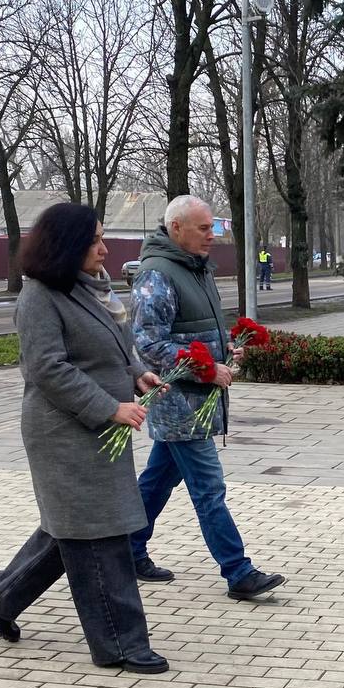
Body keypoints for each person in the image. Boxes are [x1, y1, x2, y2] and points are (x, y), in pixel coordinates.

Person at [0, 203, 170, 674]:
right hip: (64, 431)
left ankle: (1, 594)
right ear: (66, 246)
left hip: (101, 429)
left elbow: (114, 348)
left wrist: (138, 373)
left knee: (73, 529)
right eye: (94, 240)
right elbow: (47, 368)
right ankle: (120, 643)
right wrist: (109, 407)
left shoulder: (91, 289)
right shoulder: (39, 296)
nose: (103, 248)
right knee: (98, 534)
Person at [129, 194, 286, 599]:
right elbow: (147, 342)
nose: (212, 236)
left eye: (213, 228)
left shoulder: (196, 268)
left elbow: (191, 330)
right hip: (178, 403)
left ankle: (127, 549)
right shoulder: (157, 274)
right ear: (175, 228)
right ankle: (238, 572)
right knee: (209, 488)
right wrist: (206, 367)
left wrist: (226, 350)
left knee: (157, 480)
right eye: (204, 228)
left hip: (196, 400)